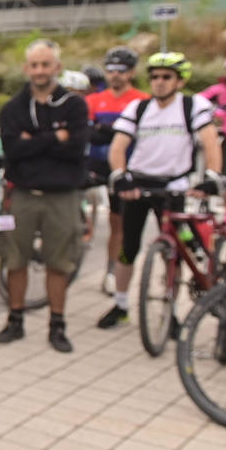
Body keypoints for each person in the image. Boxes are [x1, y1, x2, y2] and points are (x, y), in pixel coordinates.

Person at [99, 51, 221, 329]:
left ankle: (172, 310)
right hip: (139, 186)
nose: (159, 82)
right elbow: (118, 146)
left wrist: (211, 177)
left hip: (175, 187)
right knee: (127, 248)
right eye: (154, 77)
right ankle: (120, 304)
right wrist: (120, 175)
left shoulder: (193, 106)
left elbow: (210, 142)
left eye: (167, 77)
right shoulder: (139, 109)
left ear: (179, 81)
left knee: (174, 252)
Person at [0, 39, 89, 353]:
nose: (40, 70)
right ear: (26, 69)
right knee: (15, 259)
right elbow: (13, 151)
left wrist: (33, 140)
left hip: (62, 196)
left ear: (57, 68)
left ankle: (57, 324)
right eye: (34, 65)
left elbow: (75, 149)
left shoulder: (74, 106)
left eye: (46, 64)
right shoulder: (13, 108)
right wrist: (54, 138)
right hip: (22, 194)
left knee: (58, 263)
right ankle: (15, 319)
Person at [85, 47, 150, 295]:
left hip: (124, 168)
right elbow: (89, 132)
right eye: (110, 70)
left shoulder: (142, 100)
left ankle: (111, 271)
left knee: (118, 224)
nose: (115, 75)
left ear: (132, 72)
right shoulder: (93, 99)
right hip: (94, 165)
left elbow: (137, 137)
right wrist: (113, 131)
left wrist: (105, 129)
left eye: (121, 70)